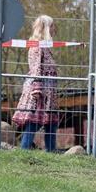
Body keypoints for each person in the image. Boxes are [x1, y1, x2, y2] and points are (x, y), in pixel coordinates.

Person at [12, 15, 60, 152]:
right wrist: (37, 88)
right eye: (51, 26)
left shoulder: (45, 46)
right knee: (33, 123)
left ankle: (51, 152)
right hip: (39, 92)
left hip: (49, 94)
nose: (54, 29)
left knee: (51, 123)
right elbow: (35, 67)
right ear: (45, 28)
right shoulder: (37, 46)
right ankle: (24, 151)